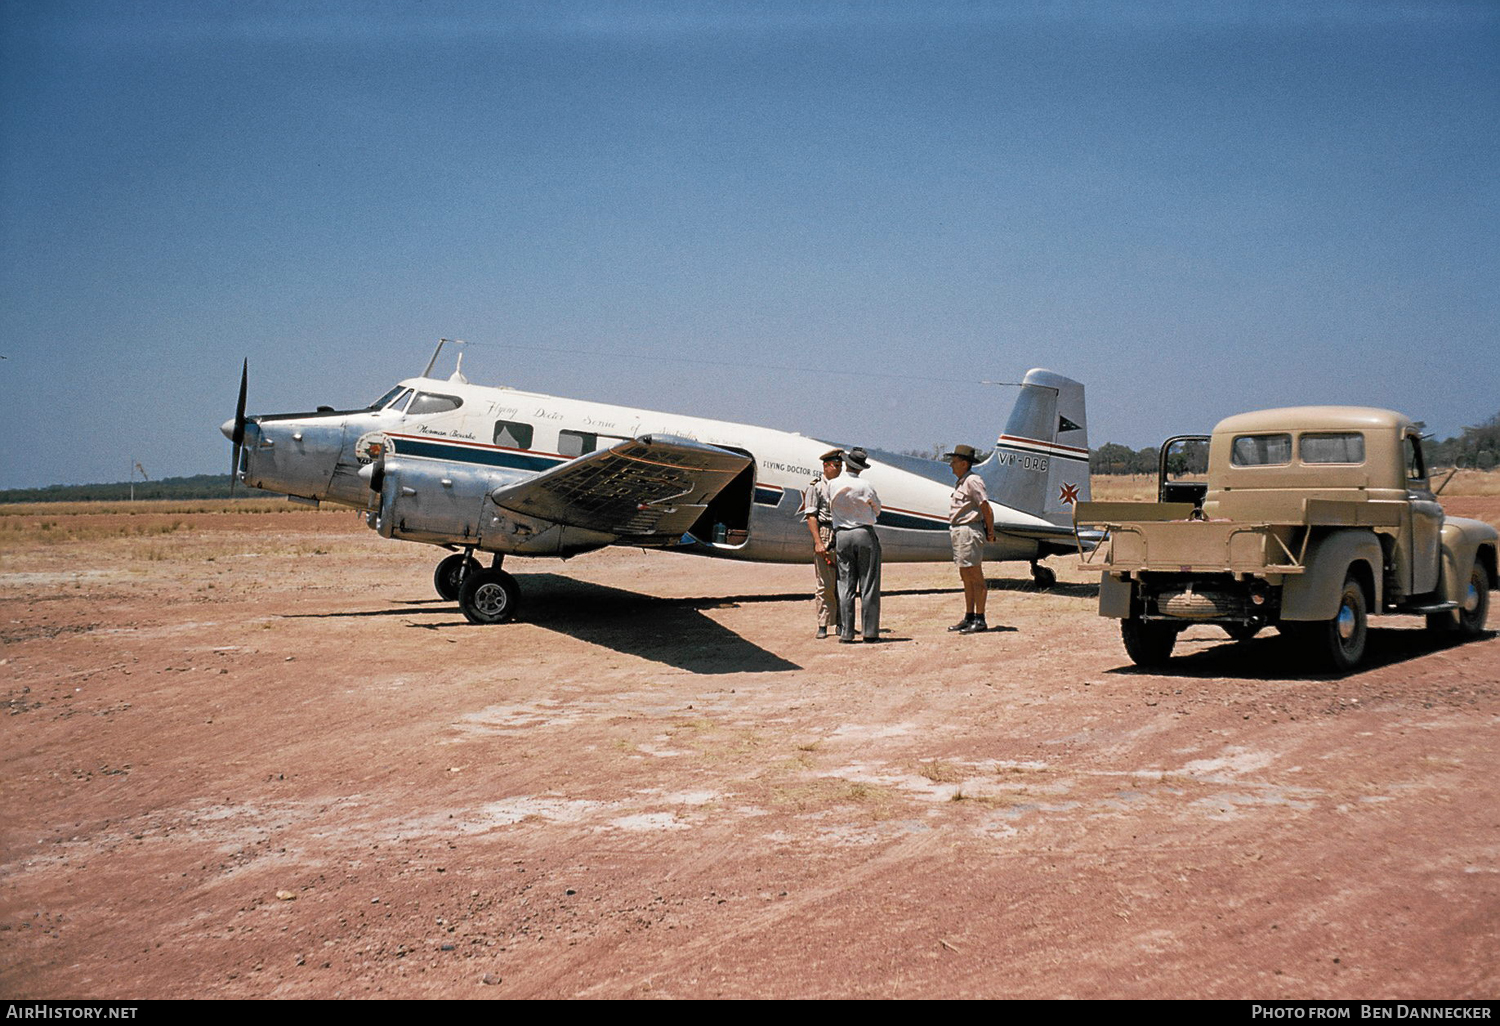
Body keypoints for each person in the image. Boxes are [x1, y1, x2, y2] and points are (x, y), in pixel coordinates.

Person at [830, 446, 882, 643]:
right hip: (863, 533)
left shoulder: (833, 484)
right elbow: (877, 510)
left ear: (845, 464)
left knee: (845, 584)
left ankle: (846, 632)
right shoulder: (866, 486)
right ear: (861, 468)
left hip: (842, 534)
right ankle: (869, 632)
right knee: (869, 583)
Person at [945, 443, 995, 634]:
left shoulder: (973, 481)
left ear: (964, 464)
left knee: (975, 575)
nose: (951, 465)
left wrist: (990, 531)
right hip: (960, 530)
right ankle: (969, 616)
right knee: (965, 575)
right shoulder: (962, 482)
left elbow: (985, 507)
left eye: (954, 461)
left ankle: (980, 618)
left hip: (969, 530)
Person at [797, 448, 843, 638]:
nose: (839, 469)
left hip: (842, 532)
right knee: (824, 582)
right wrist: (818, 541)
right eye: (836, 466)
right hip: (825, 532)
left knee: (844, 582)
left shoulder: (843, 485)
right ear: (826, 466)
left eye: (841, 466)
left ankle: (842, 623)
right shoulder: (816, 487)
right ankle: (823, 624)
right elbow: (811, 516)